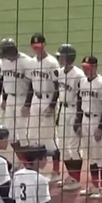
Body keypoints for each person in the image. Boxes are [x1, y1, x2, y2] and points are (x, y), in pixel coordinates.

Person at [75, 56, 102, 199]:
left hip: (97, 121)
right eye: (84, 67)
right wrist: (78, 122)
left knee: (100, 156)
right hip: (85, 119)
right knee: (90, 156)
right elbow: (79, 101)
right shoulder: (82, 82)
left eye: (88, 67)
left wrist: (100, 127)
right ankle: (95, 186)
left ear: (95, 67)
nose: (85, 69)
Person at [27, 34, 61, 182]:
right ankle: (36, 168)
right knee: (33, 135)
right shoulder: (32, 62)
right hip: (36, 98)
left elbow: (58, 87)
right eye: (35, 48)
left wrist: (52, 106)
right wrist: (28, 104)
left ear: (44, 45)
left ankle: (56, 170)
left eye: (39, 47)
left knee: (50, 137)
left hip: (48, 100)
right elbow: (30, 83)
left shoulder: (52, 63)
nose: (37, 50)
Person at [0, 38, 35, 166]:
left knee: (23, 134)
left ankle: (30, 163)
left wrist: (27, 105)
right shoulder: (4, 62)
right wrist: (4, 99)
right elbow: (5, 81)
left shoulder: (26, 62)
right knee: (10, 135)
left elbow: (32, 84)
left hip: (22, 99)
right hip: (10, 99)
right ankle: (24, 162)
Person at [55, 44, 84, 191]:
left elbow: (81, 99)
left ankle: (76, 179)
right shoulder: (59, 72)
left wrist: (78, 120)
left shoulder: (78, 75)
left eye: (61, 56)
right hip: (63, 109)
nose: (59, 59)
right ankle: (71, 176)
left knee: (74, 146)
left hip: (74, 111)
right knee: (63, 146)